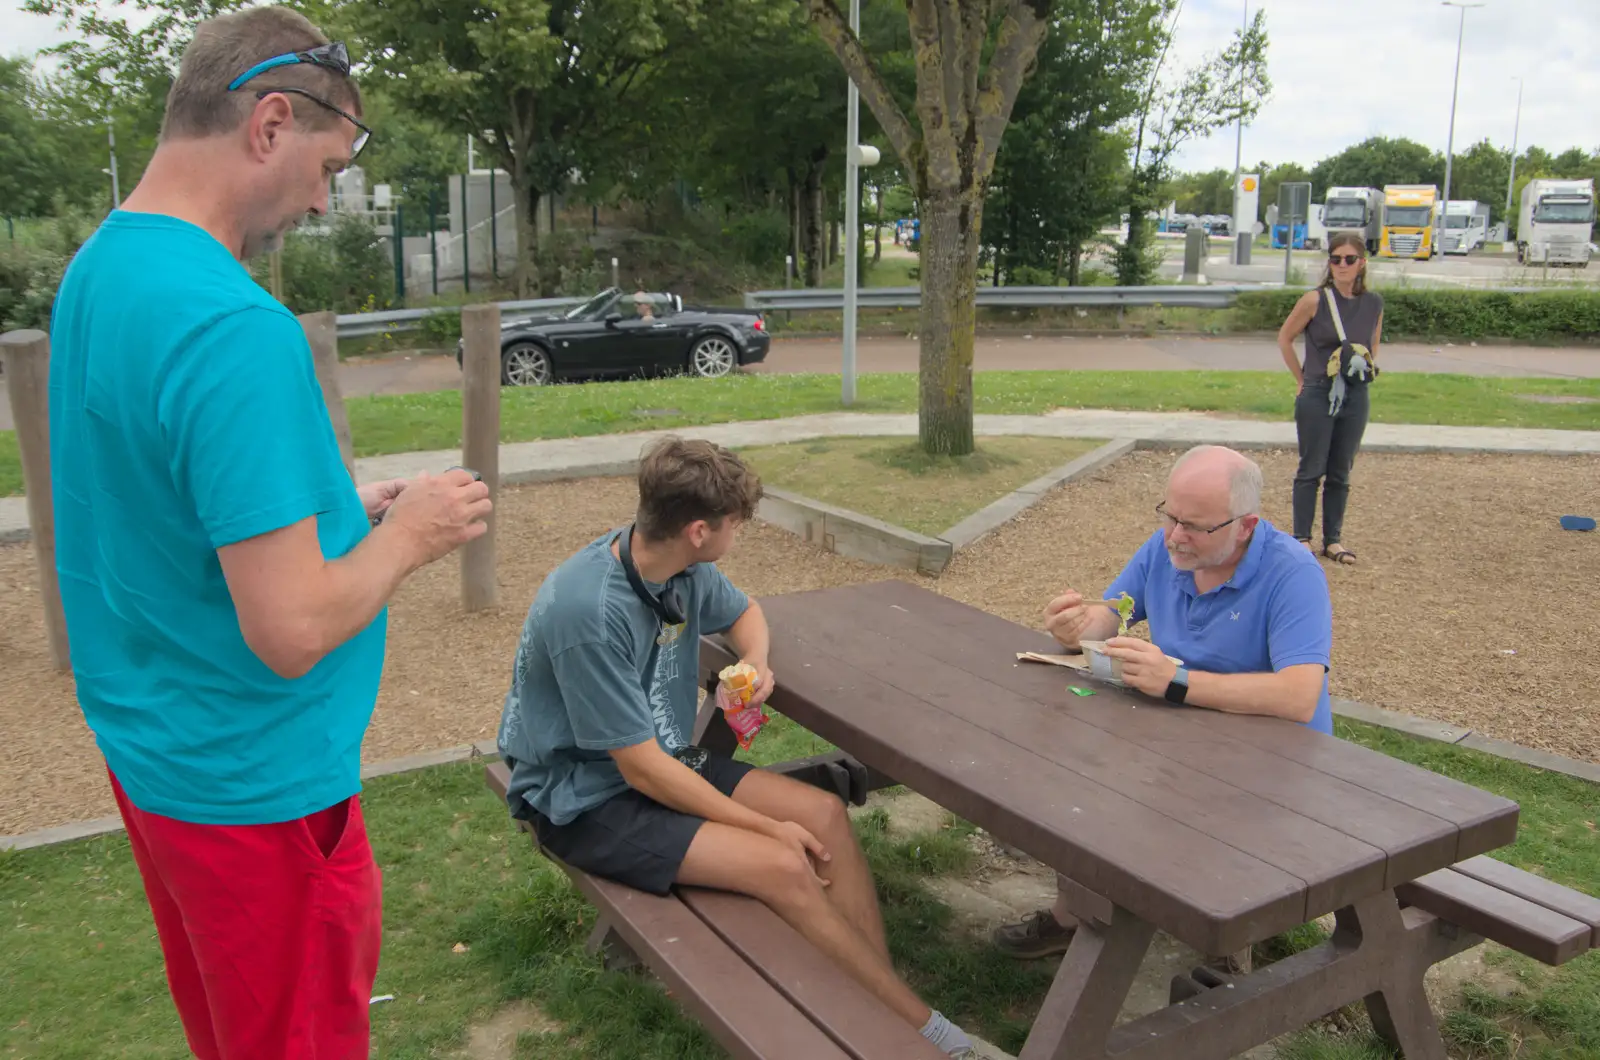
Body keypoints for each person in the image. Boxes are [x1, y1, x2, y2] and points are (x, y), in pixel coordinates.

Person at [47, 8, 491, 1058]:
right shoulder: (232, 326)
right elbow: (290, 627)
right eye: (327, 166)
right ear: (270, 122)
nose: (323, 198)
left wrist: (342, 512)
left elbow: (162, 501)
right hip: (255, 790)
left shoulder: (102, 269)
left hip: (158, 754)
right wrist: (413, 533)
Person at [495, 436, 982, 1058]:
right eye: (736, 524)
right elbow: (640, 771)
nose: (740, 534)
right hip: (582, 798)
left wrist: (753, 661)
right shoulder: (587, 611)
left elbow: (745, 610)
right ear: (699, 529)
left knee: (825, 815)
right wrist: (762, 828)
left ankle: (880, 1008)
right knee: (782, 865)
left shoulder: (676, 564)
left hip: (663, 759)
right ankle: (937, 1040)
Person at [989, 445, 1333, 969]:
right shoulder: (1168, 550)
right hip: (1185, 733)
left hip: (1276, 761)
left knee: (1152, 797)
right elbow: (1110, 617)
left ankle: (1227, 950)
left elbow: (1298, 694)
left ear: (1245, 525)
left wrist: (1177, 682)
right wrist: (1072, 629)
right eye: (1169, 516)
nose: (1175, 535)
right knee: (1070, 771)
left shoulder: (1294, 572)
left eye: (1194, 525)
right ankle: (1074, 913)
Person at [1275, 231, 1385, 566]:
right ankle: (1302, 537)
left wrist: (1360, 374)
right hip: (1319, 391)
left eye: (1349, 259)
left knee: (1341, 469)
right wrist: (1301, 379)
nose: (1342, 265)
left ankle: (1333, 539)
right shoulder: (1315, 300)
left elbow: (1372, 346)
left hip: (1354, 393)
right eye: (1336, 259)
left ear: (1361, 264)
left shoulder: (1373, 303)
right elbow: (1285, 338)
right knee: (1312, 467)